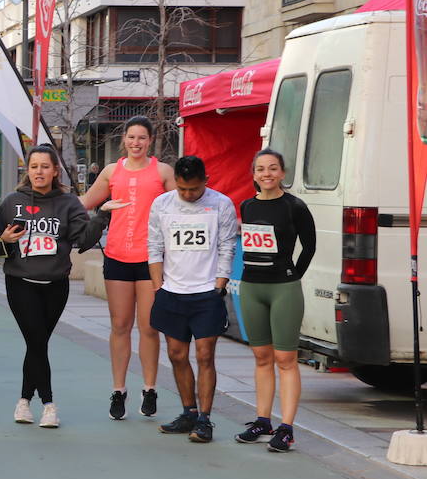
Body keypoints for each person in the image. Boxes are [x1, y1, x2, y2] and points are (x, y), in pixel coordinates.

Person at [0, 145, 108, 428]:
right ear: (27, 170)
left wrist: (103, 215)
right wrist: (5, 240)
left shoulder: (68, 203)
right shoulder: (12, 202)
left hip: (55, 285)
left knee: (38, 344)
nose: (39, 172)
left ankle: (23, 401)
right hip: (20, 282)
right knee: (36, 340)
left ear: (56, 170)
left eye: (45, 166)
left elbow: (83, 240)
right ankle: (48, 405)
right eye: (34, 167)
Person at [82, 115, 176, 421]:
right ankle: (118, 390)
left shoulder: (162, 172)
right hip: (118, 258)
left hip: (151, 261)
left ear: (150, 141)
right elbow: (83, 203)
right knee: (120, 326)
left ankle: (150, 388)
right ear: (124, 139)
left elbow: (182, 208)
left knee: (149, 327)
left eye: (142, 138)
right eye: (131, 137)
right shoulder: (111, 171)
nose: (136, 143)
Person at [148, 155, 239, 444]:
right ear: (175, 182)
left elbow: (227, 247)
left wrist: (219, 284)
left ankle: (205, 419)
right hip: (172, 290)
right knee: (176, 354)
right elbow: (154, 246)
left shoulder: (221, 204)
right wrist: (158, 285)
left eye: (194, 190)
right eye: (183, 189)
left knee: (204, 355)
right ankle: (188, 411)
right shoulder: (161, 204)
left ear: (205, 182)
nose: (188, 195)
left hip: (206, 292)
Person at [235, 149, 315, 452]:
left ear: (282, 172)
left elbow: (309, 246)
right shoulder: (247, 206)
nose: (266, 174)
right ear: (253, 174)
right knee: (261, 356)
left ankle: (287, 427)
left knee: (285, 359)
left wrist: (293, 275)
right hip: (252, 287)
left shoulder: (294, 206)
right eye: (260, 169)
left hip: (284, 288)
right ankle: (262, 420)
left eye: (272, 168)